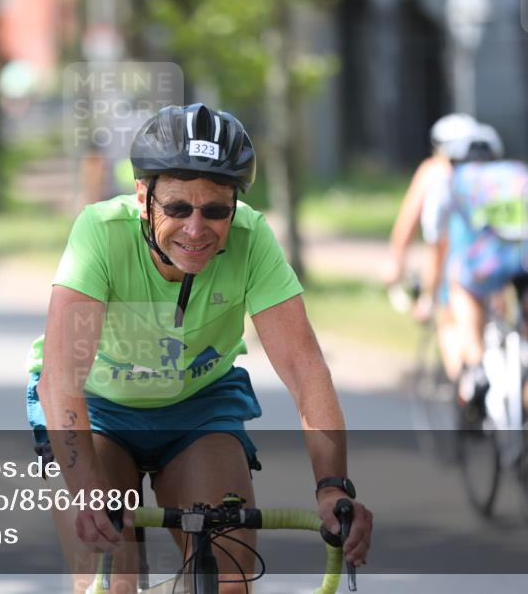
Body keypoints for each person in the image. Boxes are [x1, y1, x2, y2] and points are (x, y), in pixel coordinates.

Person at [26, 104, 372, 593]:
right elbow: (61, 382)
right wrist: (87, 494)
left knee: (231, 577)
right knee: (113, 581)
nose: (196, 229)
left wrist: (333, 488)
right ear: (144, 197)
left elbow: (305, 369)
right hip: (100, 410)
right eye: (177, 208)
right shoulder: (100, 233)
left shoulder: (252, 239)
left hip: (197, 408)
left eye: (215, 211)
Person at [416, 121, 528, 420]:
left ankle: (475, 368)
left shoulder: (450, 182)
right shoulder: (521, 172)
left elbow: (436, 247)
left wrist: (428, 296)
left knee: (460, 285)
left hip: (489, 266)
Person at [384, 113, 477, 376]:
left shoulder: (433, 171)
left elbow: (407, 227)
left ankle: (467, 397)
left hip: (452, 267)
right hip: (499, 260)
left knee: (448, 323)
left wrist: (396, 266)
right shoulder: (493, 170)